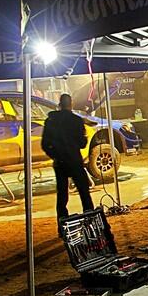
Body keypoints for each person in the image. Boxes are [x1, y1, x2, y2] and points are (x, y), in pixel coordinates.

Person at [41, 93, 94, 236]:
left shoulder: (50, 121)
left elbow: (45, 144)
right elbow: (82, 144)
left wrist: (56, 155)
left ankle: (62, 227)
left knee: (62, 195)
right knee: (84, 193)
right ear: (71, 104)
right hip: (75, 161)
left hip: (60, 162)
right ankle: (91, 224)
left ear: (59, 104)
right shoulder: (76, 120)